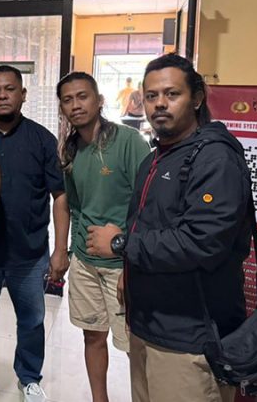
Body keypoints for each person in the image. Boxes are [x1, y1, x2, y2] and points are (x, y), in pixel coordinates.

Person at [86, 53, 251, 402]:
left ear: (197, 98)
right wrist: (129, 272)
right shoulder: (156, 158)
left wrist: (120, 245)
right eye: (151, 96)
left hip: (190, 339)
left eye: (172, 94)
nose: (160, 103)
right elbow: (147, 224)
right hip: (148, 325)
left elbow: (202, 242)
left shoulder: (214, 158)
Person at [0, 65, 70, 402]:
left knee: (31, 320)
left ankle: (28, 377)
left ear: (23, 95)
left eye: (10, 89)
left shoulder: (42, 140)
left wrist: (60, 250)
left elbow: (60, 196)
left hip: (29, 253)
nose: (2, 95)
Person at [57, 72, 150, 402]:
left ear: (99, 101)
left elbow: (150, 203)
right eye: (67, 100)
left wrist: (129, 259)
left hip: (122, 265)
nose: (75, 105)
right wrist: (69, 251)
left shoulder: (129, 142)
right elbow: (74, 205)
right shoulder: (70, 150)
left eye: (82, 96)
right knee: (92, 336)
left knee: (135, 346)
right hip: (85, 264)